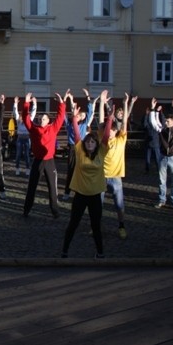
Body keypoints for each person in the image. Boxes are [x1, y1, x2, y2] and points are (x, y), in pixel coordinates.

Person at [61, 91, 112, 258]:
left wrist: (109, 116)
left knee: (96, 225)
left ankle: (100, 252)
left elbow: (105, 136)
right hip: (80, 195)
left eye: (92, 141)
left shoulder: (101, 152)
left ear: (95, 144)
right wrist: (74, 118)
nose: (90, 143)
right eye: (88, 141)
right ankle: (65, 250)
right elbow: (76, 134)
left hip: (95, 195)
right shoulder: (79, 151)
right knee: (73, 223)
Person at [22, 91, 66, 218]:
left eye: (44, 118)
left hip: (49, 161)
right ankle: (26, 210)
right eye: (40, 118)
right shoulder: (34, 129)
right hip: (37, 160)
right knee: (32, 187)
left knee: (52, 188)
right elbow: (25, 117)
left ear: (48, 121)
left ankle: (55, 211)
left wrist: (61, 103)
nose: (42, 120)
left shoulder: (53, 128)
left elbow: (60, 117)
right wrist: (26, 103)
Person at [101, 93, 137, 239]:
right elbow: (102, 120)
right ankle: (95, 226)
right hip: (101, 177)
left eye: (112, 131)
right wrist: (102, 103)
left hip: (116, 177)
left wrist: (125, 104)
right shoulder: (102, 140)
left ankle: (121, 226)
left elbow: (125, 120)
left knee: (119, 205)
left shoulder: (121, 140)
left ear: (116, 132)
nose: (109, 132)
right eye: (108, 130)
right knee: (97, 206)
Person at [62, 89, 96, 202]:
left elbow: (90, 112)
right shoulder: (69, 124)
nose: (79, 116)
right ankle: (67, 192)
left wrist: (87, 96)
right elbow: (63, 115)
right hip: (72, 148)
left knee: (82, 169)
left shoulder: (84, 123)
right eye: (78, 115)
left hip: (82, 148)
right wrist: (66, 99)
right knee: (71, 170)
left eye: (81, 115)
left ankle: (81, 191)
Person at [12, 96, 32, 176]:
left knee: (27, 155)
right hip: (20, 139)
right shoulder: (18, 121)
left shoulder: (28, 121)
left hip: (27, 139)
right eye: (21, 116)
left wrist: (35, 105)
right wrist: (15, 103)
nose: (22, 118)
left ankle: (27, 169)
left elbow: (33, 113)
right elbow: (15, 112)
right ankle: (17, 168)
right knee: (18, 154)